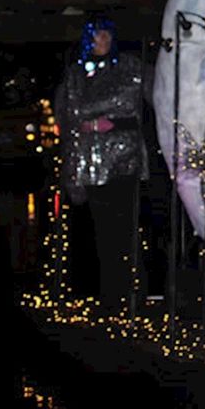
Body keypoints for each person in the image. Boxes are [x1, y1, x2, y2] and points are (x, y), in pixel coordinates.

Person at [55, 18, 149, 307]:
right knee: (101, 230)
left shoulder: (129, 67)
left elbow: (129, 102)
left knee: (128, 228)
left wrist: (105, 120)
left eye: (108, 33)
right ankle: (106, 293)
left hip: (124, 158)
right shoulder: (75, 75)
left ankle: (134, 293)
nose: (103, 38)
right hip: (91, 162)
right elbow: (70, 112)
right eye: (98, 34)